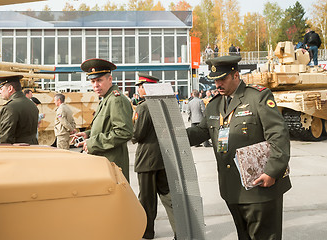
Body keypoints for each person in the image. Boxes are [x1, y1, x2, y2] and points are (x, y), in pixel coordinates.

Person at [186, 56, 291, 240]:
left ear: (236, 75)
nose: (218, 84)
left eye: (222, 79)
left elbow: (278, 135)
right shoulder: (215, 104)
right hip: (232, 190)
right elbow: (202, 131)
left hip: (260, 186)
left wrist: (272, 171)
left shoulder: (257, 96)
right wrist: (173, 135)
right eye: (215, 80)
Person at [132, 73, 176, 240]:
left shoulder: (144, 107)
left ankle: (147, 231)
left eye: (141, 86)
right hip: (163, 156)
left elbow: (138, 134)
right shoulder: (164, 104)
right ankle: (180, 230)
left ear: (147, 87)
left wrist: (132, 135)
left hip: (146, 159)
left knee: (146, 199)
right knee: (168, 196)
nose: (139, 89)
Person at [74, 58, 133, 181]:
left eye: (99, 80)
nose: (96, 85)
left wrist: (92, 143)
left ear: (109, 79)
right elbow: (107, 127)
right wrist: (87, 134)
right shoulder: (106, 99)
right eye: (93, 81)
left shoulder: (116, 99)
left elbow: (123, 132)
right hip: (105, 163)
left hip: (112, 165)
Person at [0, 75, 39, 144]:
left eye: (1, 89)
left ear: (10, 88)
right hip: (32, 147)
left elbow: (5, 138)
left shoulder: (10, 107)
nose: (0, 92)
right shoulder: (31, 104)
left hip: (17, 151)